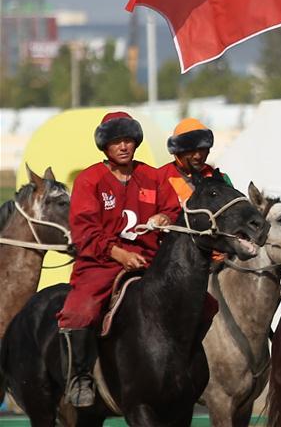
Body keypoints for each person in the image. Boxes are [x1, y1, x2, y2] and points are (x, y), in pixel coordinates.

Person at [57, 112, 181, 407]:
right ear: (105, 146)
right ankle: (80, 377)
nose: (124, 146)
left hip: (151, 260)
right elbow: (85, 231)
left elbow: (174, 208)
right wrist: (119, 253)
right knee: (79, 311)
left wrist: (165, 215)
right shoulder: (90, 180)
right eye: (116, 141)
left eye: (128, 140)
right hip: (101, 263)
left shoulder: (152, 176)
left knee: (203, 301)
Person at [158, 117, 232, 204]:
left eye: (202, 149)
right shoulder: (159, 180)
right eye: (191, 150)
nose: (198, 156)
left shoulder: (221, 179)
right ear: (177, 152)